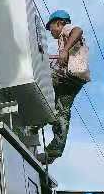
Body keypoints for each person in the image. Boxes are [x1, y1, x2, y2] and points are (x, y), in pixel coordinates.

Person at [38, 10, 91, 164]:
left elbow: (78, 30)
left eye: (51, 28)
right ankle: (53, 152)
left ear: (59, 23)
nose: (51, 32)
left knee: (39, 79)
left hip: (68, 75)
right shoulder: (66, 41)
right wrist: (58, 55)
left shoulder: (66, 30)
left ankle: (35, 121)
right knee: (62, 112)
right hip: (76, 80)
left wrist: (64, 50)